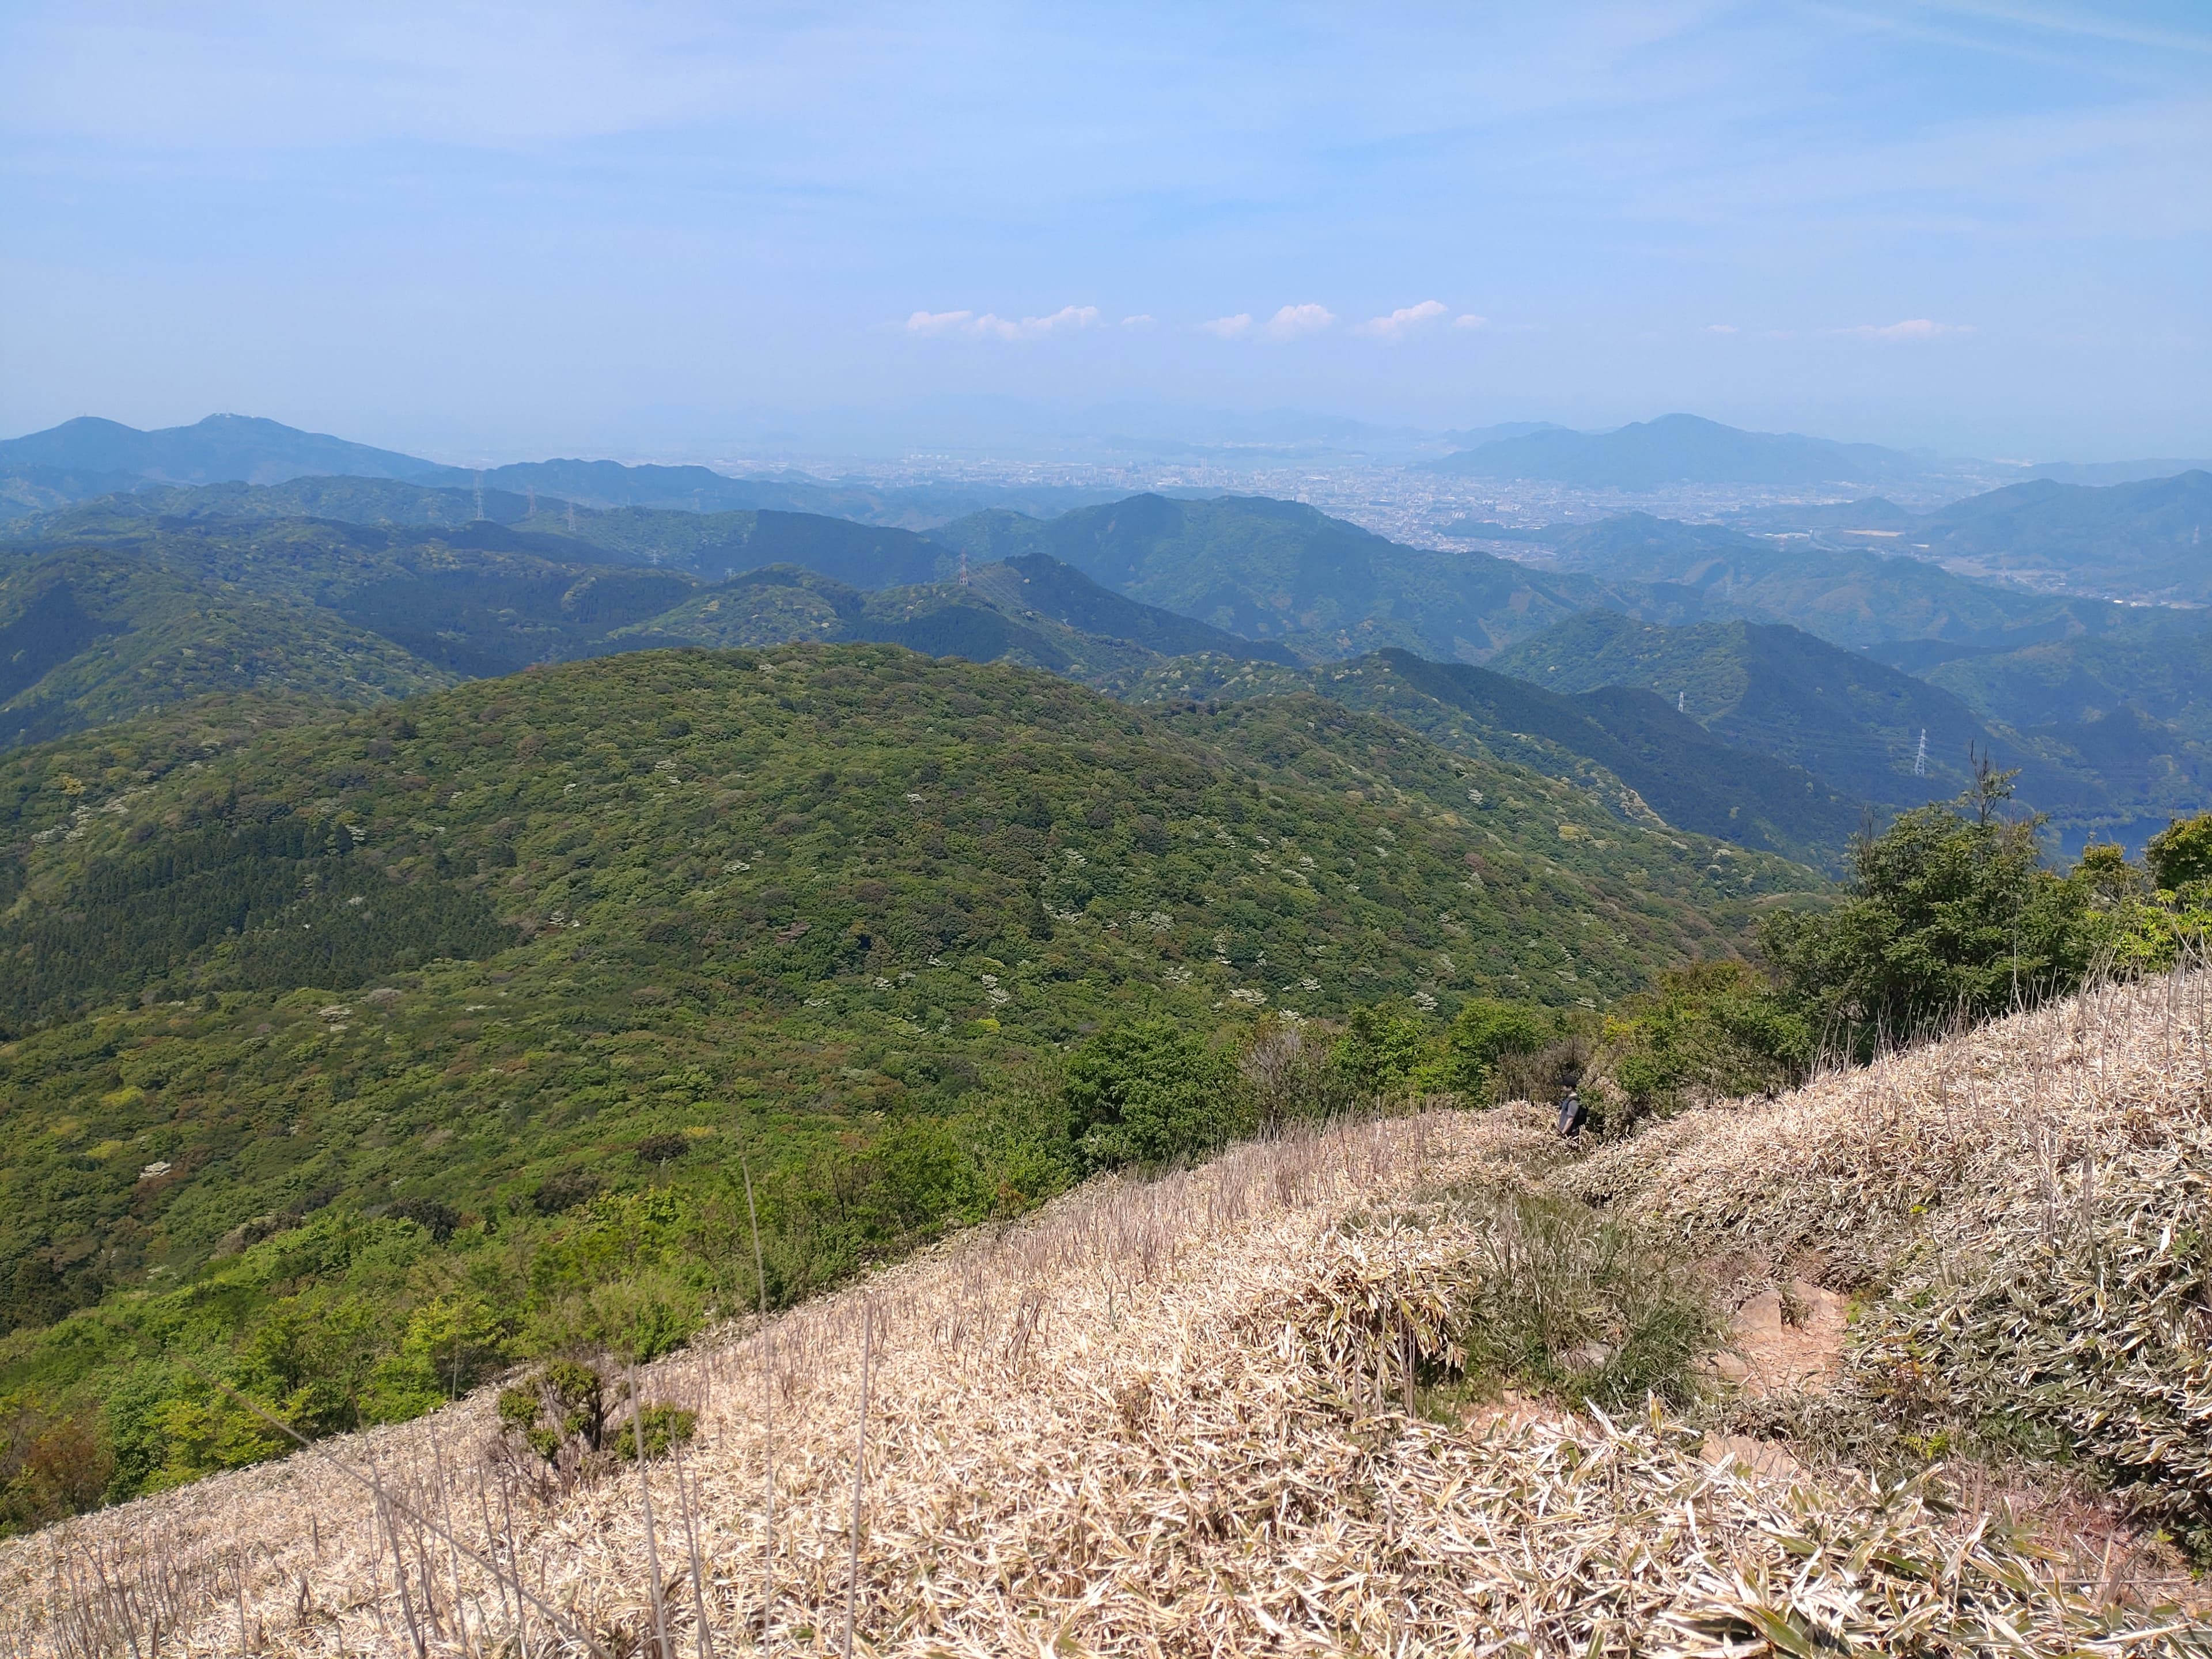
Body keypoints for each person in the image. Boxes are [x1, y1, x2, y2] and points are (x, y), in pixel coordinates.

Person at [1556, 1071, 1588, 1139]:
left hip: (1570, 1135)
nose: (1562, 1088)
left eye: (1564, 1086)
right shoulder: (1568, 1099)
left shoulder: (1573, 1102)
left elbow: (1570, 1120)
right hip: (1565, 1133)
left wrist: (1562, 1134)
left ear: (1570, 1088)